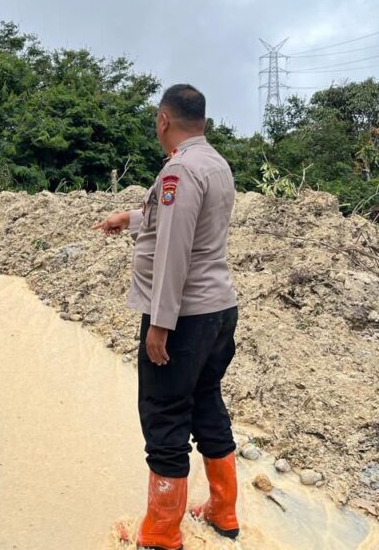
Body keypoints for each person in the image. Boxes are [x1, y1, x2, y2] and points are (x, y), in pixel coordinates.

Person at [93, 84, 240, 547]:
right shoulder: (215, 163)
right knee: (206, 402)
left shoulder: (180, 169)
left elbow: (175, 249)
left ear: (163, 120)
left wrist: (160, 324)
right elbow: (182, 222)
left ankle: (160, 533)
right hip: (219, 311)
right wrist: (130, 218)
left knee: (165, 415)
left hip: (185, 316)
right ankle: (223, 510)